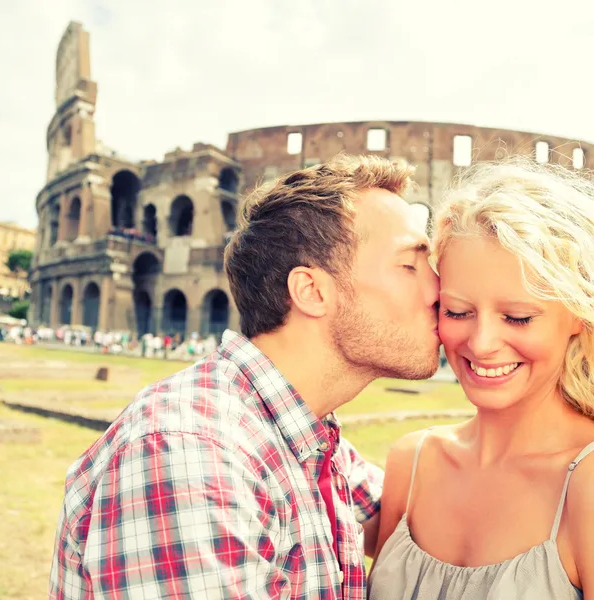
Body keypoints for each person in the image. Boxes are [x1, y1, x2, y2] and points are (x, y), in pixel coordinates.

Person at [49, 154, 440, 599]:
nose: (439, 290)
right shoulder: (191, 453)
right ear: (312, 291)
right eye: (410, 266)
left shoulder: (307, 437)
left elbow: (432, 529)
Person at [369, 157, 594, 599]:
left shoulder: (585, 484)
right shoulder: (410, 463)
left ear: (578, 317)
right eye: (458, 311)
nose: (482, 342)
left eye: (518, 317)